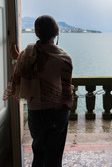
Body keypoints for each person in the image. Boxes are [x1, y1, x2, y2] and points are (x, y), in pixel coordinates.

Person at [3, 15, 74, 167]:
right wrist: (68, 106)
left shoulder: (27, 54)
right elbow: (67, 91)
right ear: (56, 33)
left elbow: (21, 75)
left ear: (37, 33)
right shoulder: (64, 59)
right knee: (54, 159)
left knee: (38, 155)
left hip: (35, 112)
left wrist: (16, 58)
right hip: (56, 113)